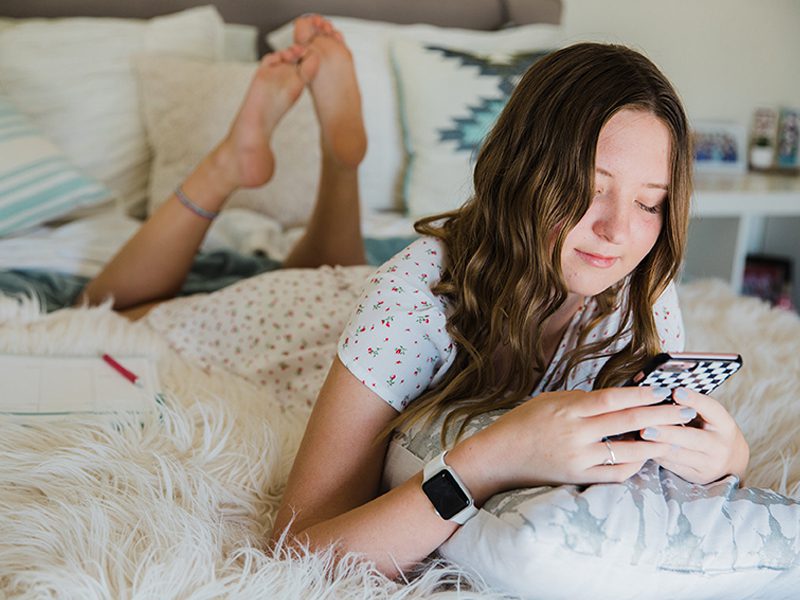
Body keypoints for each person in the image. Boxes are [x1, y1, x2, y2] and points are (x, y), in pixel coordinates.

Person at [270, 42, 750, 577]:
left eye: (648, 203)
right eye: (589, 188)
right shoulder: (414, 298)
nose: (617, 232)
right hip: (299, 322)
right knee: (283, 278)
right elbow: (295, 553)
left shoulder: (644, 293)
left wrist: (729, 463)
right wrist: (485, 463)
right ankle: (342, 157)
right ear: (523, 170)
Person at [78, 15, 368, 319]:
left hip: (237, 335)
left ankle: (227, 164)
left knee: (100, 313)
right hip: (337, 325)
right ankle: (341, 169)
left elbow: (89, 323)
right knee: (337, 290)